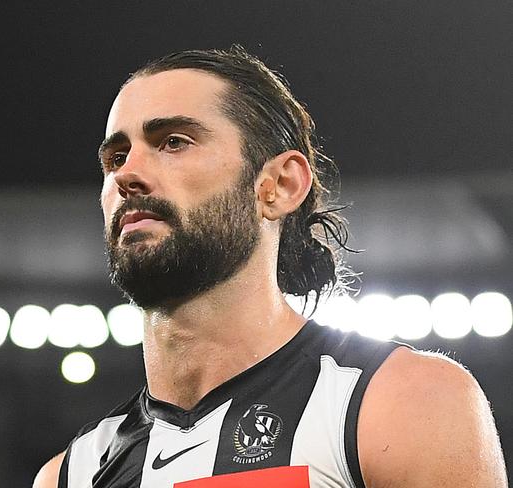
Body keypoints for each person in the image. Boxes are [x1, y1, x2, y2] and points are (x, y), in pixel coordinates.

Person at [34, 46, 507, 487]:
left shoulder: (405, 403)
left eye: (173, 142)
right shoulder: (70, 474)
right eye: (116, 156)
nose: (126, 173)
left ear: (278, 185)